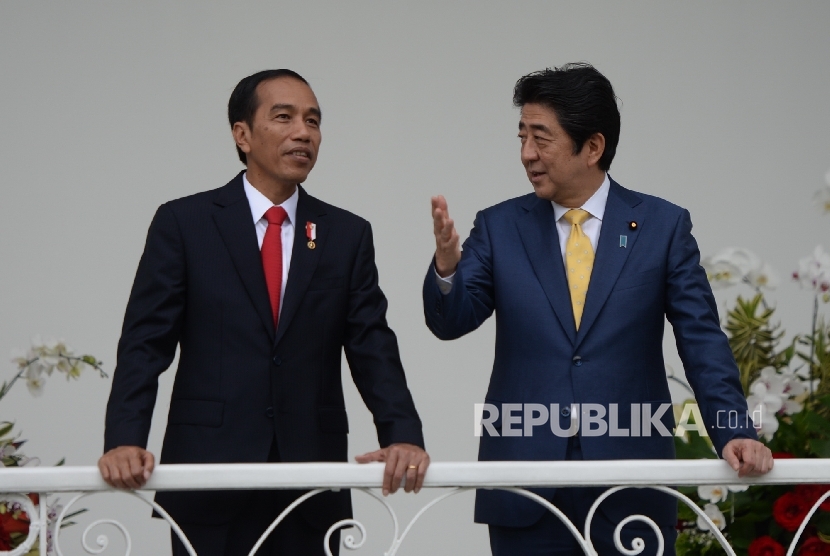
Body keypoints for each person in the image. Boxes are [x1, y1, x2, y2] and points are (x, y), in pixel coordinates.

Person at [423, 63, 773, 556]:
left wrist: (733, 429)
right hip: (525, 482)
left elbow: (701, 338)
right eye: (521, 135)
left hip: (631, 483)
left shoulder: (662, 226)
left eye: (541, 138)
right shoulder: (500, 226)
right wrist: (446, 269)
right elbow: (451, 320)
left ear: (593, 146)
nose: (527, 153)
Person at [98, 69, 429, 556]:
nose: (304, 132)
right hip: (208, 476)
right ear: (242, 134)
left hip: (309, 480)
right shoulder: (185, 224)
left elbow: (372, 345)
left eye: (313, 121)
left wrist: (403, 435)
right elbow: (146, 342)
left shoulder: (345, 234)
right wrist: (124, 439)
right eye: (285, 117)